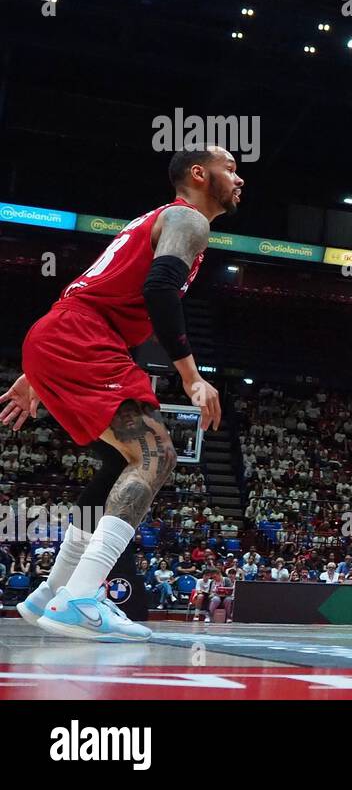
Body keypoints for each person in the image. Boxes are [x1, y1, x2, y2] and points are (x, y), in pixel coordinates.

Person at [4, 145, 239, 642]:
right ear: (199, 174)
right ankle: (84, 598)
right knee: (157, 453)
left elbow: (100, 286)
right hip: (80, 337)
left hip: (64, 333)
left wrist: (38, 369)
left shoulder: (153, 221)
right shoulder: (189, 220)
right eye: (231, 169)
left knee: (118, 463)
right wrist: (192, 376)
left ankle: (52, 591)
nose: (240, 180)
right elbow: (158, 291)